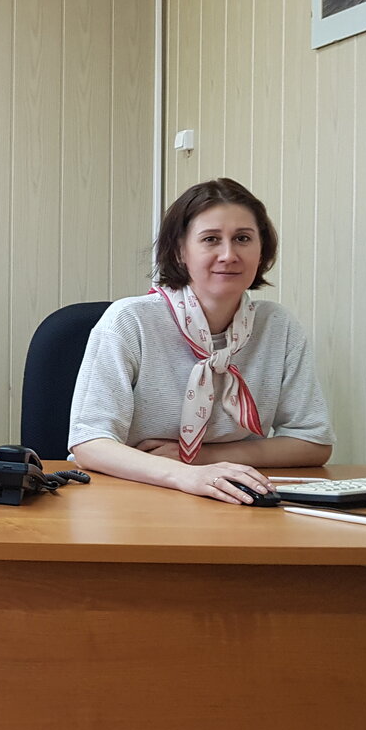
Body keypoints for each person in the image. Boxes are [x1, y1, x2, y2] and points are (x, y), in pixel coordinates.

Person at [68, 177, 332, 503]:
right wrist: (186, 474)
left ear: (261, 249)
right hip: (133, 495)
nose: (228, 254)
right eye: (210, 239)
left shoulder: (278, 326)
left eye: (243, 238)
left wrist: (202, 459)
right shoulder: (130, 320)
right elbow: (89, 442)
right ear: (180, 251)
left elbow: (314, 442)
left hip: (232, 496)